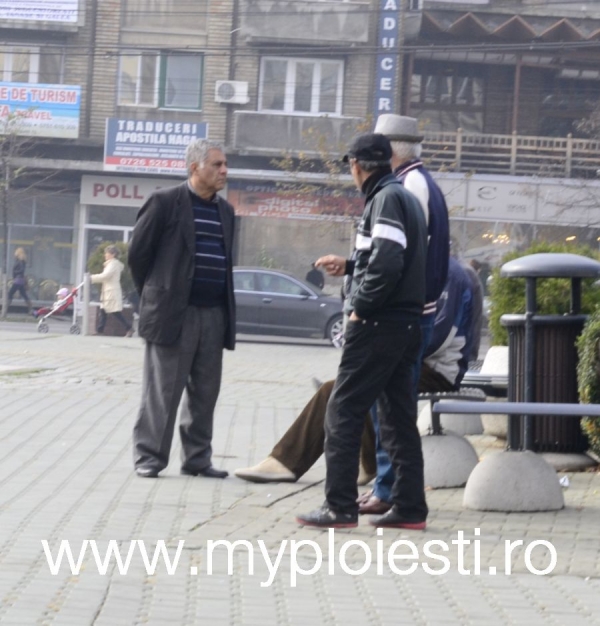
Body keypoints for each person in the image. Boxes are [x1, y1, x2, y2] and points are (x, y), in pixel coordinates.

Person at [234, 258, 478, 498]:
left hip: (438, 369)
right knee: (348, 384)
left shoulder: (449, 275)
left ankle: (292, 461)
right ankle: (305, 461)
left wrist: (382, 349)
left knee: (357, 383)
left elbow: (437, 337)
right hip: (411, 359)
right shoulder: (425, 267)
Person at [295, 133, 428, 529]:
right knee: (397, 417)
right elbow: (390, 259)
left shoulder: (384, 200)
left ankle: (339, 507)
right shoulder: (403, 197)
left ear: (356, 165)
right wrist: (352, 265)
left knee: (343, 409)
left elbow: (387, 265)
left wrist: (360, 310)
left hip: (377, 323)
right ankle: (409, 508)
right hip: (405, 323)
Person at [128, 139, 236, 479]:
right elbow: (138, 256)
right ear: (194, 168)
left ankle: (197, 459)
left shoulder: (226, 211)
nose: (224, 171)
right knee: (163, 391)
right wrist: (157, 295)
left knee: (205, 392)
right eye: (217, 165)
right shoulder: (164, 202)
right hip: (175, 313)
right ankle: (149, 457)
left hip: (214, 313)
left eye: (224, 164)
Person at [364, 114, 451, 512]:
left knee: (391, 406)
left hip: (406, 313)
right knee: (391, 404)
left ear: (392, 151)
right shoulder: (420, 182)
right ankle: (390, 489)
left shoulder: (408, 187)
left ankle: (389, 488)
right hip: (417, 310)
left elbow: (397, 256)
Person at [90, 245, 133, 337]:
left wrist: (91, 278)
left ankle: (129, 328)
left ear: (113, 254)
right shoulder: (110, 264)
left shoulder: (113, 264)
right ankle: (100, 330)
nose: (105, 255)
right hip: (108, 291)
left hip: (111, 291)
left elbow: (106, 276)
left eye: (107, 253)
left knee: (115, 312)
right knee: (103, 311)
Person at [8, 247, 32, 313]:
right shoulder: (22, 261)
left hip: (18, 280)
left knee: (10, 293)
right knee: (24, 294)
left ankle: (5, 308)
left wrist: (15, 272)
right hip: (20, 280)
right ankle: (30, 308)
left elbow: (21, 270)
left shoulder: (20, 261)